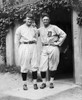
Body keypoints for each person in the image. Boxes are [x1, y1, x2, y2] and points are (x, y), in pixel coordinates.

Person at [38, 13, 67, 89]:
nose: (45, 21)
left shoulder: (54, 27)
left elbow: (63, 34)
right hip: (44, 47)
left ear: (49, 20)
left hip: (53, 47)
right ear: (42, 21)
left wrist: (58, 43)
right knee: (42, 65)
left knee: (53, 65)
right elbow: (33, 34)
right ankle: (43, 82)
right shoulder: (40, 29)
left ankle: (51, 82)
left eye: (47, 19)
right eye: (44, 20)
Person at [15, 13, 38, 90]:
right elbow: (16, 40)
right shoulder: (20, 28)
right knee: (24, 65)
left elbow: (36, 38)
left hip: (33, 46)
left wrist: (34, 45)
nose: (29, 21)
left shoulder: (34, 29)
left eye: (31, 19)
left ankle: (35, 83)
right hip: (24, 46)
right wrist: (19, 49)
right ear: (25, 19)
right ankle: (24, 84)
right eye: (28, 19)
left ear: (32, 20)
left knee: (34, 65)